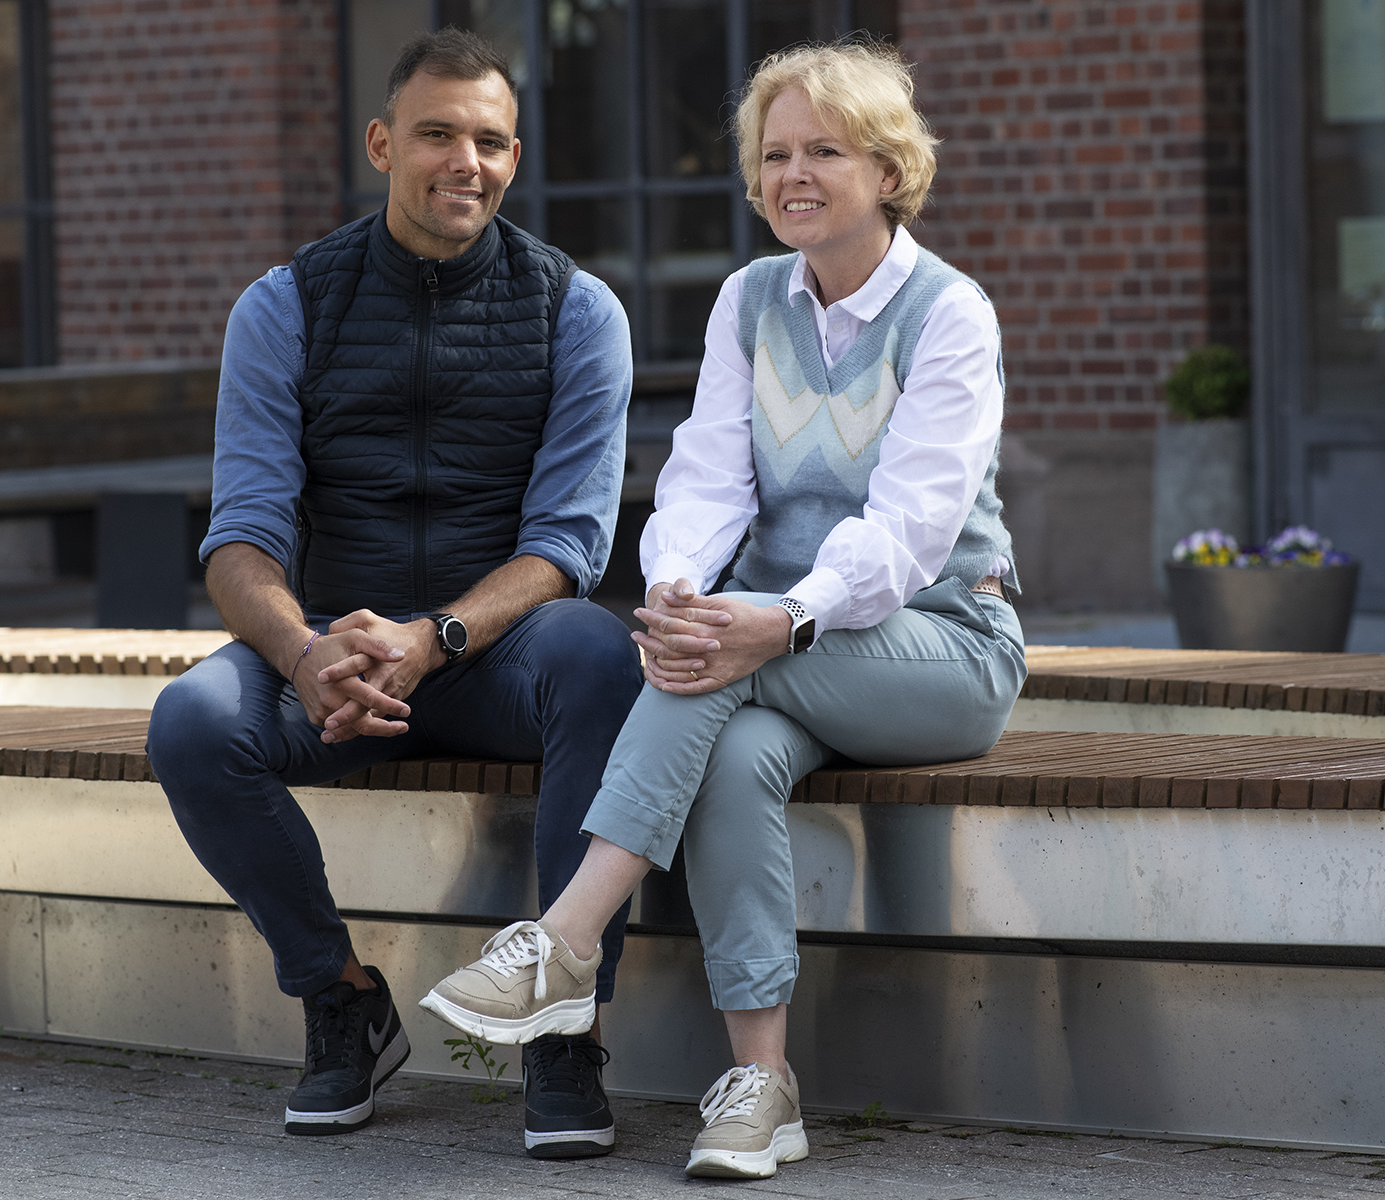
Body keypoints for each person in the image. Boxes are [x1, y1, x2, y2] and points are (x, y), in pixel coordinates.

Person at [418, 40, 1027, 1180]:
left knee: (718, 666)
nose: (795, 174)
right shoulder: (750, 301)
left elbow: (907, 532)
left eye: (826, 152)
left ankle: (566, 936)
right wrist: (681, 593)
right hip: (778, 647)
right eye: (776, 154)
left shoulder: (951, 315)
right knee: (735, 748)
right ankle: (763, 1085)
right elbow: (704, 476)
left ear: (888, 170)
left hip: (941, 645)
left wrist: (776, 618)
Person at [144, 29, 642, 1158]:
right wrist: (303, 654)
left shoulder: (579, 311)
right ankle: (340, 997)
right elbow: (240, 541)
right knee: (192, 721)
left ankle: (565, 1025)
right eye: (436, 134)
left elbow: (570, 541)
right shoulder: (285, 306)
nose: (465, 160)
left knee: (602, 658)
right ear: (381, 142)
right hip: (338, 665)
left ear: (514, 158)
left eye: (490, 140)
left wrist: (439, 635)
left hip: (495, 656)